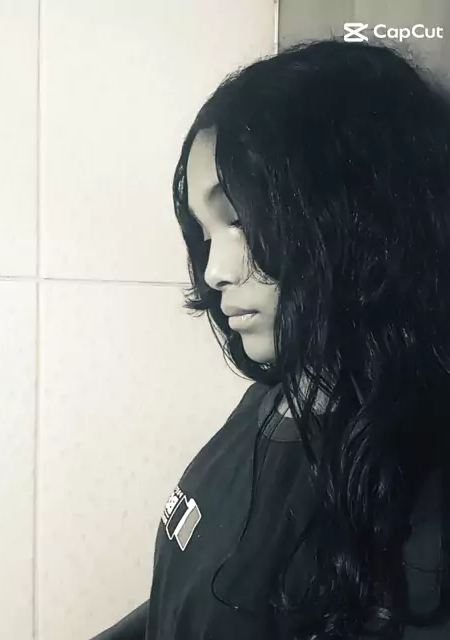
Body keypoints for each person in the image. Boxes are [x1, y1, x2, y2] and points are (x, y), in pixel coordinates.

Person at [91, 37, 450, 639]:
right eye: (205, 233)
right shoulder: (273, 401)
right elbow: (191, 594)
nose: (213, 271)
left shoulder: (422, 499)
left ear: (356, 206)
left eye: (239, 218)